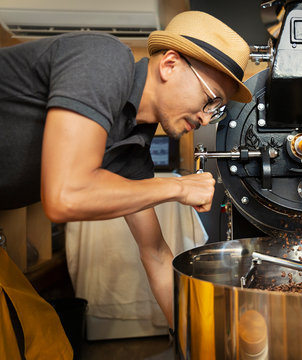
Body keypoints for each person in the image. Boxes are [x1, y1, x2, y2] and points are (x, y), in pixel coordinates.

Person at [0, 9, 252, 341]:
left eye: (216, 109)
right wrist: (177, 188)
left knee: (43, 340)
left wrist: (200, 345)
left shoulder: (130, 149)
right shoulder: (103, 58)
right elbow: (64, 198)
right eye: (209, 100)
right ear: (170, 65)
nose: (207, 119)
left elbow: (157, 255)